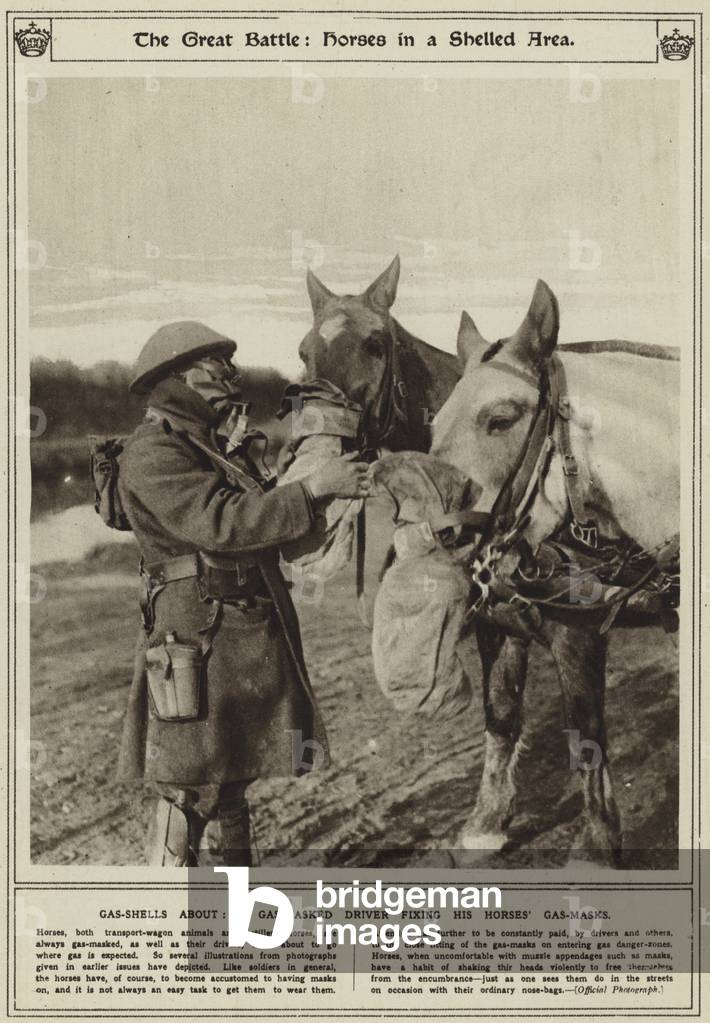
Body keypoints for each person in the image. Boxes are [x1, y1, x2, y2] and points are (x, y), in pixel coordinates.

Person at [116, 321, 369, 866]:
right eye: (219, 365)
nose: (232, 374)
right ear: (181, 376)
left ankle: (236, 904)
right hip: (195, 639)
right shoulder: (153, 450)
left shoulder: (204, 444)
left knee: (231, 781)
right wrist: (315, 488)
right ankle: (164, 907)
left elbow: (256, 513)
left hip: (226, 633)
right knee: (188, 787)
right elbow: (221, 523)